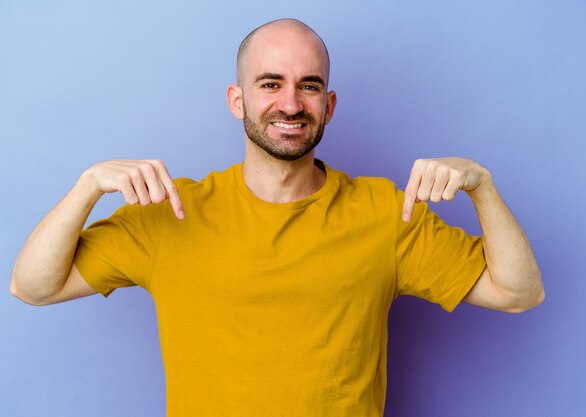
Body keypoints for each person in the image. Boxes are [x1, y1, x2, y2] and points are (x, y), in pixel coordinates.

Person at [10, 18, 544, 417]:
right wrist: (86, 187)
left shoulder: (387, 214)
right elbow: (32, 286)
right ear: (236, 99)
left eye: (308, 85)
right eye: (270, 84)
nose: (290, 103)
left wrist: (483, 187)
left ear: (328, 105)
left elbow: (519, 292)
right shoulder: (168, 214)